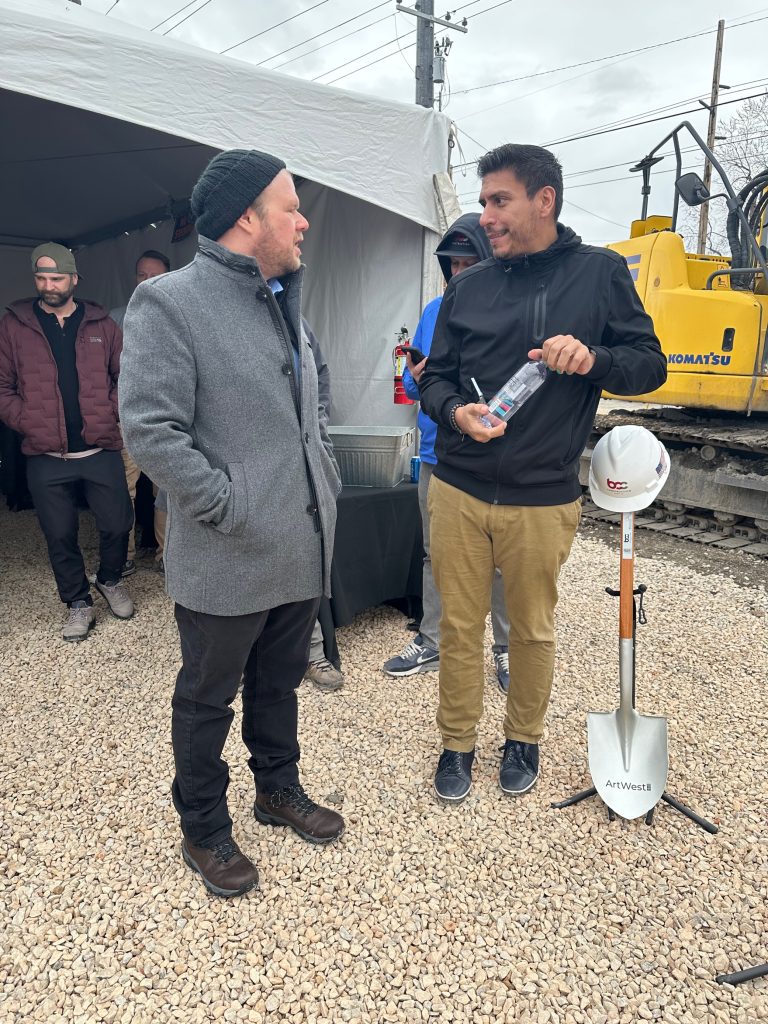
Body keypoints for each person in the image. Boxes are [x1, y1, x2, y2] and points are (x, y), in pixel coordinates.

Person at [119, 149, 344, 899]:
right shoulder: (170, 302)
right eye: (290, 205)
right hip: (227, 551)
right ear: (248, 216)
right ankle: (205, 828)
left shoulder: (283, 297)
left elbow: (314, 402)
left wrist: (325, 478)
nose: (303, 219)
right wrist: (225, 503)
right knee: (207, 698)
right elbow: (150, 428)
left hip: (299, 543)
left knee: (278, 683)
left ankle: (277, 791)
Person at [419, 144, 667, 803]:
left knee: (529, 629)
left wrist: (593, 359)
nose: (487, 215)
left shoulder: (600, 273)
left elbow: (649, 365)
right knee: (458, 628)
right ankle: (456, 745)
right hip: (459, 487)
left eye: (499, 200)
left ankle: (523, 738)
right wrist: (454, 411)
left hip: (542, 496)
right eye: (484, 202)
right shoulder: (467, 286)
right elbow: (433, 379)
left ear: (545, 200)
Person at [382, 214, 512, 690]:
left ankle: (506, 649)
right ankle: (433, 642)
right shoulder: (433, 309)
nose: (459, 273)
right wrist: (413, 376)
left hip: (487, 456)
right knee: (434, 553)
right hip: (436, 455)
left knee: (499, 558)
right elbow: (407, 390)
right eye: (452, 264)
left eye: (468, 262)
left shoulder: (506, 308)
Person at [0, 243, 134, 641]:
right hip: (46, 454)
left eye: (56, 278)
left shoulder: (102, 325)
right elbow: (3, 387)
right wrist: (27, 422)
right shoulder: (14, 325)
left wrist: (111, 412)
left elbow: (124, 378)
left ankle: (109, 579)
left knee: (116, 523)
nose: (48, 286)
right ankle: (77, 601)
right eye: (41, 278)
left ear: (74, 279)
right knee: (59, 533)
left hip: (99, 448)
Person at [110, 250, 171, 576]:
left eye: (155, 275)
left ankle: (166, 556)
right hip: (126, 421)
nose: (147, 281)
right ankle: (125, 556)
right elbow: (100, 370)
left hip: (167, 421)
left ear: (169, 277)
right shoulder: (115, 318)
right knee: (123, 491)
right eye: (141, 275)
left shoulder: (179, 315)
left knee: (167, 491)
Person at [302, 325, 345, 693]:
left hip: (299, 468)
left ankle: (312, 651)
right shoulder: (200, 311)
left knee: (302, 565)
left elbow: (320, 381)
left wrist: (318, 440)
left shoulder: (298, 324)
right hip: (239, 477)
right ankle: (239, 660)